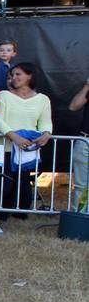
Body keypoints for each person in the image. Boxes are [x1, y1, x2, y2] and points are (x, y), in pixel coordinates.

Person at [0, 61, 54, 228]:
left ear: (30, 76)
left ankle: (4, 219)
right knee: (4, 184)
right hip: (5, 148)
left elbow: (45, 122)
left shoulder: (42, 100)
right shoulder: (3, 95)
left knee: (20, 184)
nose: (14, 78)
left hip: (26, 151)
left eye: (18, 74)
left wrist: (46, 134)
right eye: (12, 75)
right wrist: (14, 136)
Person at [69, 74, 89, 212]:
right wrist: (87, 86)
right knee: (81, 185)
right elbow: (73, 107)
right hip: (85, 141)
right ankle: (79, 220)